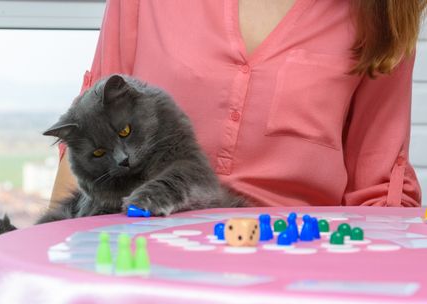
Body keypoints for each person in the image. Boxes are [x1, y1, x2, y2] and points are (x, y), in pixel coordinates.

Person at [50, 0, 426, 208]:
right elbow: (87, 144)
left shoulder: (381, 13)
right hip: (143, 264)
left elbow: (378, 193)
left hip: (297, 282)